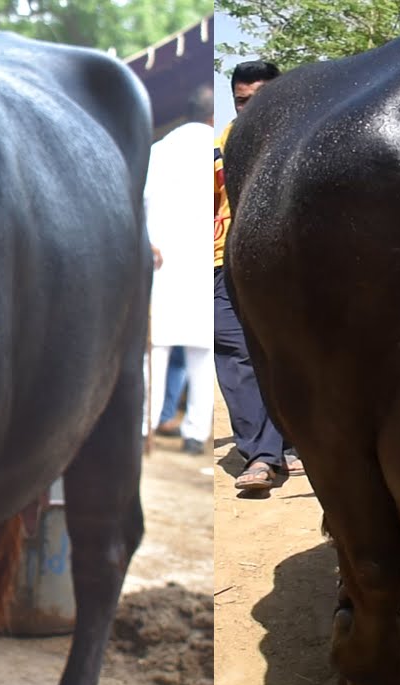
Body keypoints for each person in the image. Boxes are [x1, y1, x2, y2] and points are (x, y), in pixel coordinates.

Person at [215, 60, 304, 491]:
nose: (250, 110)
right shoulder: (220, 148)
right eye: (241, 101)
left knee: (288, 352)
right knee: (236, 352)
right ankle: (262, 456)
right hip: (222, 264)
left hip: (284, 265)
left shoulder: (306, 139)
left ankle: (293, 440)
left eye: (261, 99)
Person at [146, 86, 216, 454]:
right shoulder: (219, 152)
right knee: (203, 357)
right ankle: (194, 435)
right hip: (205, 264)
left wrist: (147, 241)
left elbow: (137, 200)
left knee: (155, 350)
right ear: (213, 117)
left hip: (162, 262)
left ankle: (145, 427)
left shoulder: (159, 150)